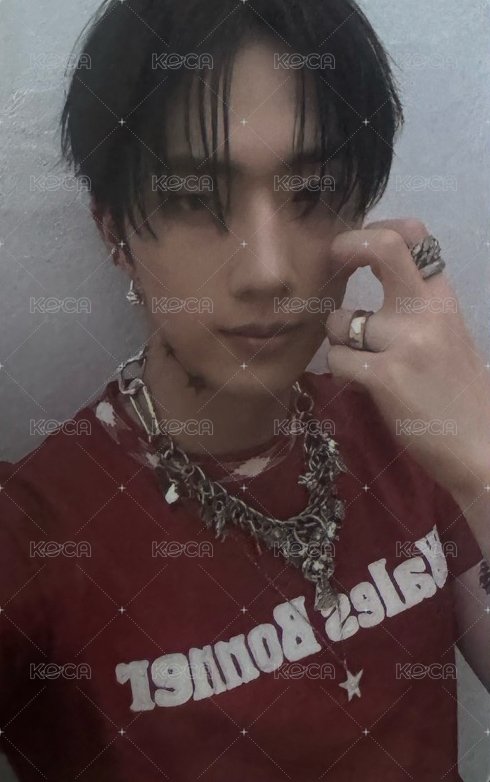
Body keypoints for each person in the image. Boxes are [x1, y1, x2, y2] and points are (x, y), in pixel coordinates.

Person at [1, 0, 489, 780]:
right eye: (196, 199)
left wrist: (480, 459)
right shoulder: (38, 529)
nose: (267, 271)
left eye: (312, 192)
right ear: (114, 231)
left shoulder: (407, 426)